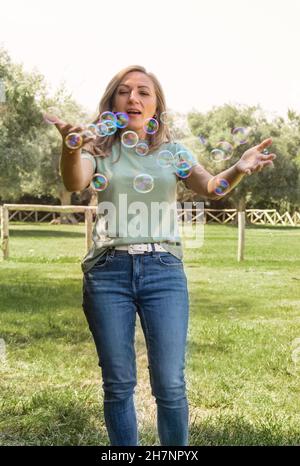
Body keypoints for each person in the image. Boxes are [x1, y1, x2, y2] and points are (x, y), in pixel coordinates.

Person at [55, 65, 276, 446]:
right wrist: (70, 147)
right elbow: (75, 180)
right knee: (119, 381)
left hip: (163, 270)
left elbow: (211, 187)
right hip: (108, 271)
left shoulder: (173, 152)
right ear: (113, 104)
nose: (133, 98)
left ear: (156, 106)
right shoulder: (98, 151)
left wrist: (238, 168)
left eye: (144, 92)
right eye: (124, 92)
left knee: (170, 382)